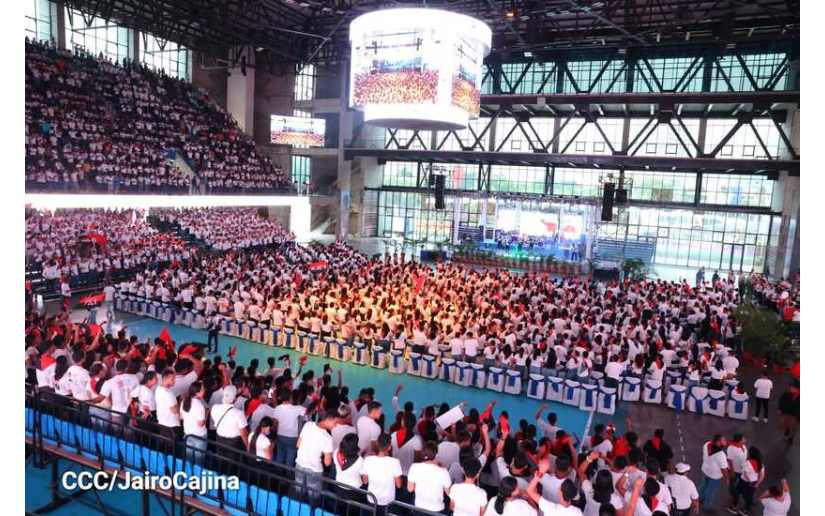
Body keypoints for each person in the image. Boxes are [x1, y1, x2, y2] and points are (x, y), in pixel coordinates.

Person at [294, 410, 337, 502]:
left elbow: (298, 444)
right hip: (314, 469)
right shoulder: (328, 438)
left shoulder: (308, 425)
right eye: (335, 422)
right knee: (313, 495)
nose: (336, 425)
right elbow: (327, 463)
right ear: (328, 420)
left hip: (300, 463)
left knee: (299, 491)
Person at [362, 433, 403, 516]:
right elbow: (399, 485)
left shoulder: (368, 460)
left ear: (377, 444)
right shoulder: (395, 462)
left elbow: (365, 481)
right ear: (389, 447)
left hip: (372, 498)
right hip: (388, 502)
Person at [407, 440, 453, 513]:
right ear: (436, 454)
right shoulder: (443, 471)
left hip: (419, 507)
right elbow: (449, 493)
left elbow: (410, 489)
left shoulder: (414, 467)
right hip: (437, 509)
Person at [698, 435, 729, 511]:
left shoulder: (707, 444)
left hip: (705, 470)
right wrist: (727, 479)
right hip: (715, 476)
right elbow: (724, 469)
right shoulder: (721, 455)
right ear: (718, 442)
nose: (725, 441)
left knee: (703, 486)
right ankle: (707, 506)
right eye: (723, 440)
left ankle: (700, 498)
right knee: (711, 491)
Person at [180, 381, 208, 464]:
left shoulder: (184, 401)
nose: (204, 390)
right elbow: (201, 424)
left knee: (189, 459)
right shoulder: (199, 405)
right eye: (202, 389)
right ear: (197, 393)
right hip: (199, 436)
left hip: (188, 434)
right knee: (199, 461)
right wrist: (207, 414)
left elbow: (181, 417)